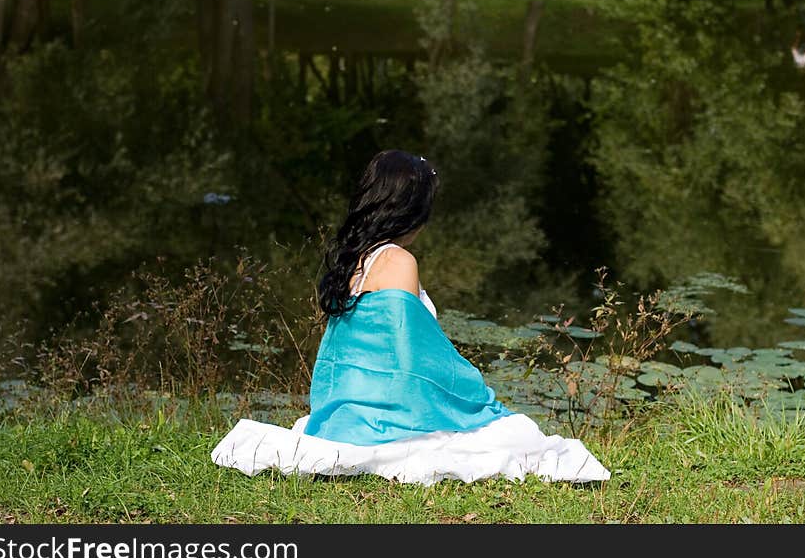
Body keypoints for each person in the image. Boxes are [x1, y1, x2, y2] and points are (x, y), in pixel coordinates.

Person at [211, 149, 610, 485]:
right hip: (387, 412)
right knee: (515, 435)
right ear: (411, 211)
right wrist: (469, 390)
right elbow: (411, 356)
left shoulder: (356, 260)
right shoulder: (398, 260)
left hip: (350, 407)